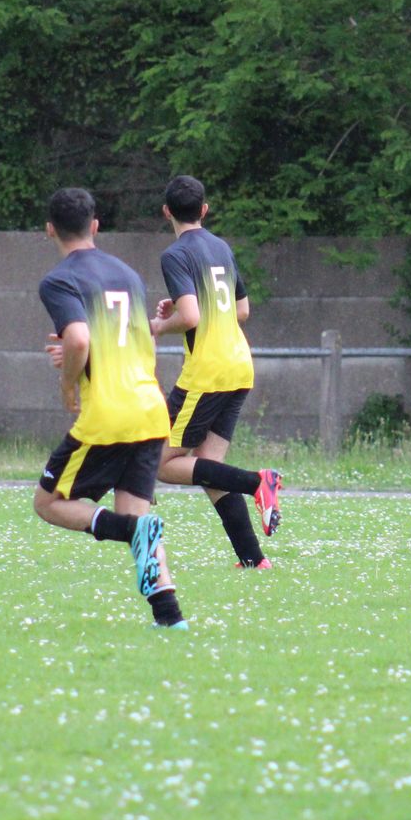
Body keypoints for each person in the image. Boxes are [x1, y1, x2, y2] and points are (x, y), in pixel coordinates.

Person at [34, 187, 187, 628]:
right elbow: (138, 341)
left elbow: (79, 338)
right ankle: (170, 617)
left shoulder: (59, 280)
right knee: (136, 510)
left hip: (108, 414)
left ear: (50, 230)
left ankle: (132, 532)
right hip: (150, 408)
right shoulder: (128, 275)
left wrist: (68, 384)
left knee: (48, 502)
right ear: (95, 226)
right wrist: (78, 353)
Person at [147, 175, 281, 568]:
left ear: (166, 212)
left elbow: (191, 317)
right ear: (204, 210)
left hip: (207, 373)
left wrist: (159, 326)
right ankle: (254, 560)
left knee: (159, 462)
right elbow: (241, 310)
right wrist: (182, 305)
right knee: (210, 468)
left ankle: (258, 482)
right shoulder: (220, 247)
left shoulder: (175, 254)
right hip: (239, 365)